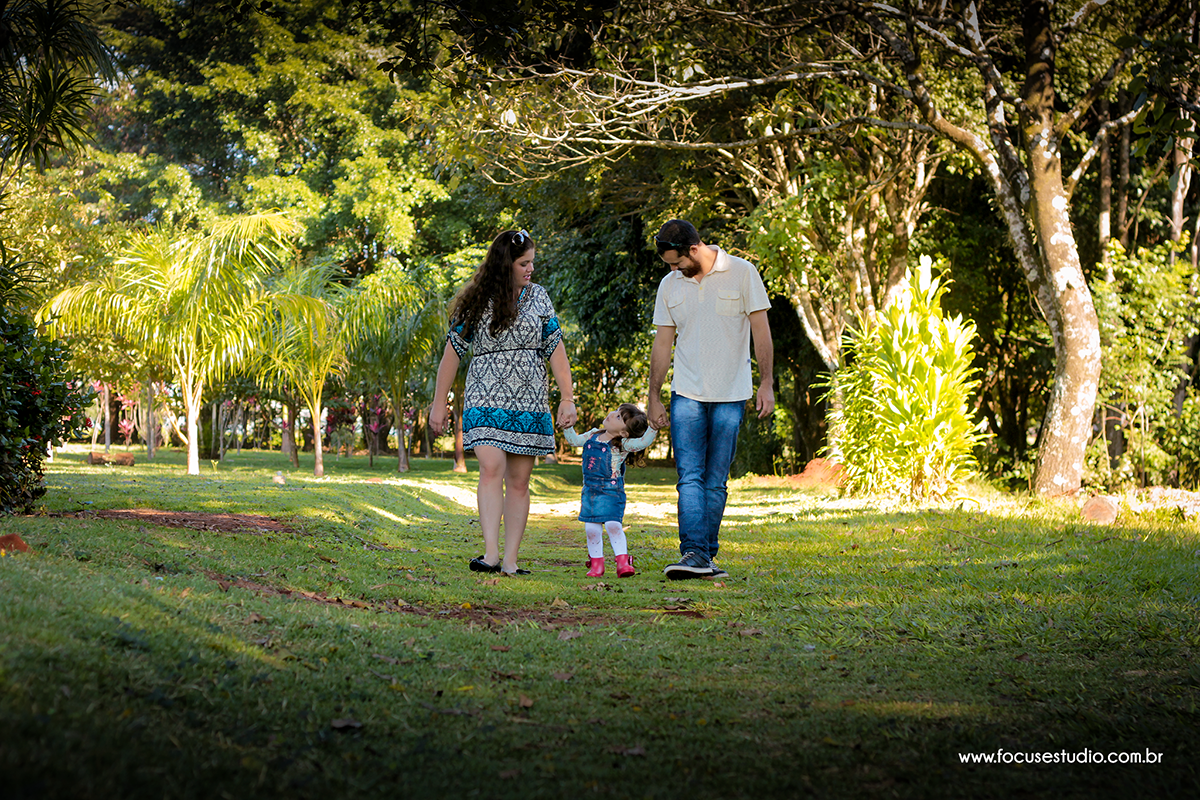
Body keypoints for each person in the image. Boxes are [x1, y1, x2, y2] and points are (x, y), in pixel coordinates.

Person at [430, 229, 577, 576]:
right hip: (484, 395)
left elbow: (556, 350)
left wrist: (567, 398)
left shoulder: (539, 297)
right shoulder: (476, 299)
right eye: (524, 263)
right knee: (491, 467)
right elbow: (451, 354)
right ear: (505, 264)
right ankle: (491, 555)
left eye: (532, 263)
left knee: (519, 482)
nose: (530, 269)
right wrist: (439, 403)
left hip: (529, 400)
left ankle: (510, 561)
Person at [647, 219, 774, 580]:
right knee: (689, 477)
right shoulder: (670, 285)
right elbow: (663, 343)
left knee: (715, 480)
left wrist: (766, 383)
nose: (673, 271)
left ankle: (704, 554)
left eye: (677, 263)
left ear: (694, 249)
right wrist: (654, 396)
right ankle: (695, 553)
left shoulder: (742, 272)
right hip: (686, 392)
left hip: (731, 394)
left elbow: (761, 331)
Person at [562, 403, 657, 578]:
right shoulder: (592, 435)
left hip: (612, 492)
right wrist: (567, 427)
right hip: (591, 492)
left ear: (624, 433)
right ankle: (597, 565)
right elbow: (574, 441)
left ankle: (623, 562)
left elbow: (644, 442)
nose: (612, 414)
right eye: (616, 411)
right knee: (591, 529)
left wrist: (654, 428)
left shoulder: (623, 444)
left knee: (613, 525)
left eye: (619, 417)